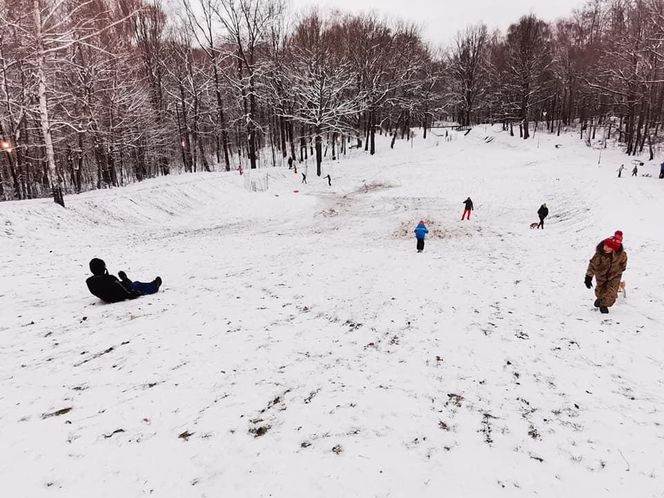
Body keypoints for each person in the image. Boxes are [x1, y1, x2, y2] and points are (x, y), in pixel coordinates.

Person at [584, 231, 627, 314]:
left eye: (609, 247)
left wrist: (621, 269)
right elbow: (592, 265)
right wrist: (588, 277)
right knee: (600, 291)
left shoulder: (621, 255)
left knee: (611, 295)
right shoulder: (599, 255)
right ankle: (600, 299)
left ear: (614, 249)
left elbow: (623, 262)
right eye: (605, 245)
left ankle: (604, 304)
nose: (605, 248)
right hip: (601, 276)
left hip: (615, 276)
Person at [86, 258, 161, 303]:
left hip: (108, 297)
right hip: (120, 296)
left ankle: (126, 280)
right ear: (103, 268)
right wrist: (136, 293)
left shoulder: (89, 282)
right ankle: (155, 285)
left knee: (124, 284)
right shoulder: (111, 278)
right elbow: (126, 291)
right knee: (137, 284)